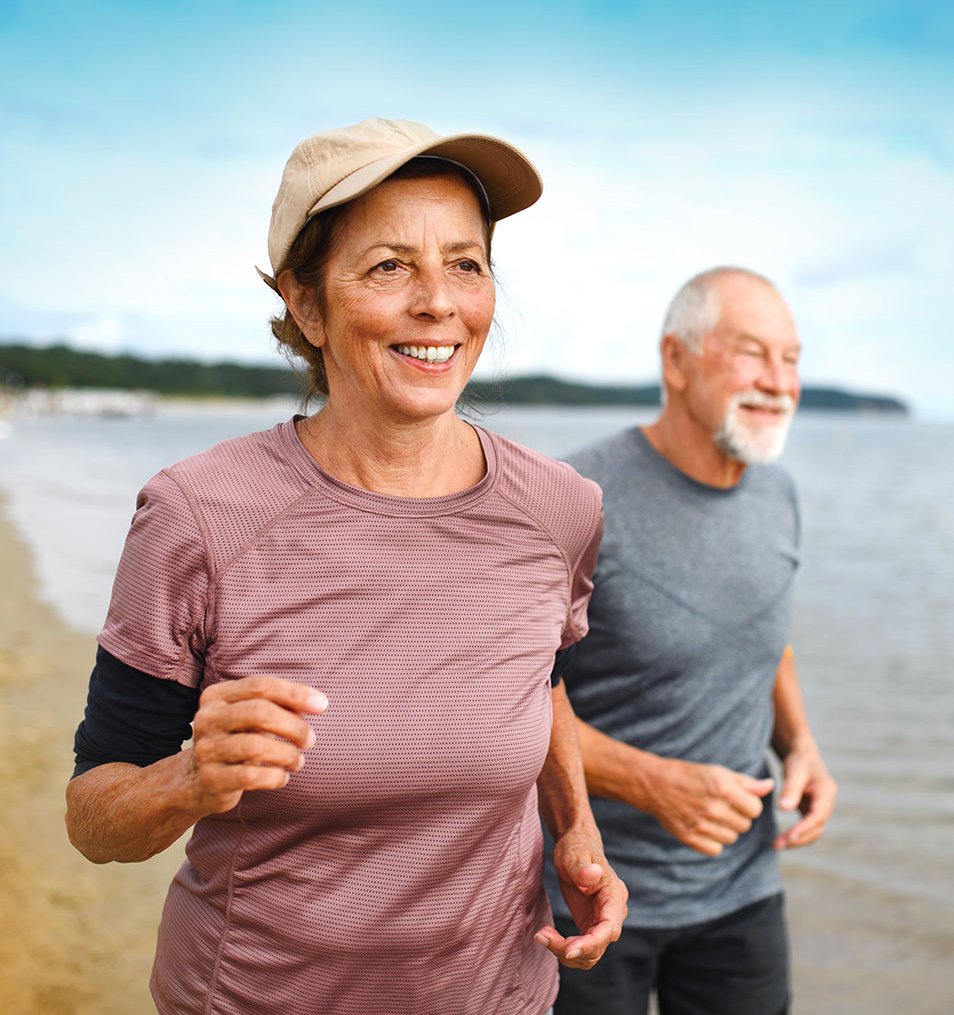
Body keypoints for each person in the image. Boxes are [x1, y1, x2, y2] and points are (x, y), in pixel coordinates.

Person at [65, 117, 627, 1015]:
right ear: (308, 305)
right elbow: (93, 816)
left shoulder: (561, 508)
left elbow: (543, 677)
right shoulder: (199, 514)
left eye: (467, 263)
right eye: (390, 265)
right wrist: (188, 780)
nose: (439, 301)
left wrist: (576, 829)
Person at [545, 267, 837, 1015]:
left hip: (742, 894)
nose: (779, 382)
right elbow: (507, 700)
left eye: (793, 358)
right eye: (751, 353)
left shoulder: (780, 492)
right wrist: (652, 782)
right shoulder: (578, 500)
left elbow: (764, 635)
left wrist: (800, 742)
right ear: (675, 361)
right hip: (589, 893)